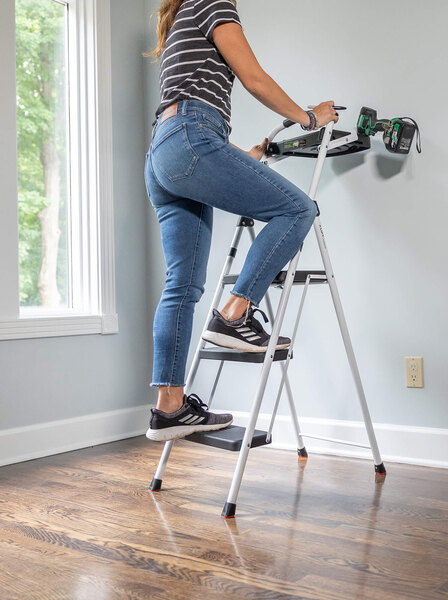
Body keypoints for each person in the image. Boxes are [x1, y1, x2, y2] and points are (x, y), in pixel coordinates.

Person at [143, 0, 339, 442]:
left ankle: (168, 408)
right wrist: (310, 118)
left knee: (182, 285)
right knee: (298, 208)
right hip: (192, 137)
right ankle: (235, 313)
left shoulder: (179, 18)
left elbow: (189, 115)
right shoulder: (212, 1)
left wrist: (244, 156)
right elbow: (252, 78)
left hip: (166, 150)